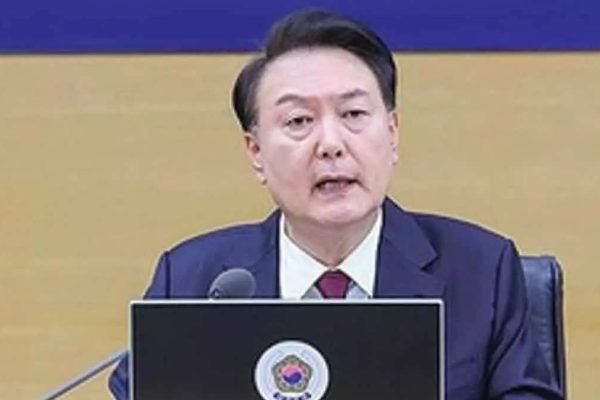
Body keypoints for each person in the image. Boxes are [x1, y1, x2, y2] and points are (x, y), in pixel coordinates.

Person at [109, 9, 564, 400]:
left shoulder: (481, 271)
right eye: (298, 121)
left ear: (392, 133)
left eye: (353, 114)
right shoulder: (192, 282)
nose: (331, 143)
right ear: (256, 152)